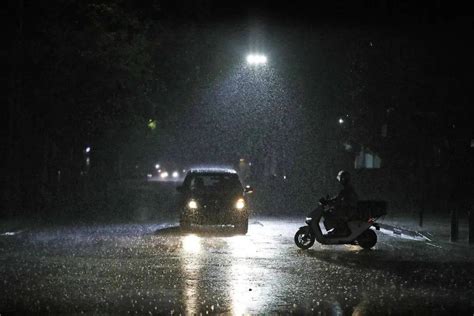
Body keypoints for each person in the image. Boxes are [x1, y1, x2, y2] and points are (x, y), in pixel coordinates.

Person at [325, 170, 359, 236]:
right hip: (348, 208)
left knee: (333, 214)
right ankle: (338, 229)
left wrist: (331, 202)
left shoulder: (347, 188)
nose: (340, 180)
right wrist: (331, 201)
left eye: (341, 178)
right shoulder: (347, 187)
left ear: (343, 179)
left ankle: (340, 231)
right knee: (333, 211)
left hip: (349, 209)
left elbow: (339, 198)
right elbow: (339, 197)